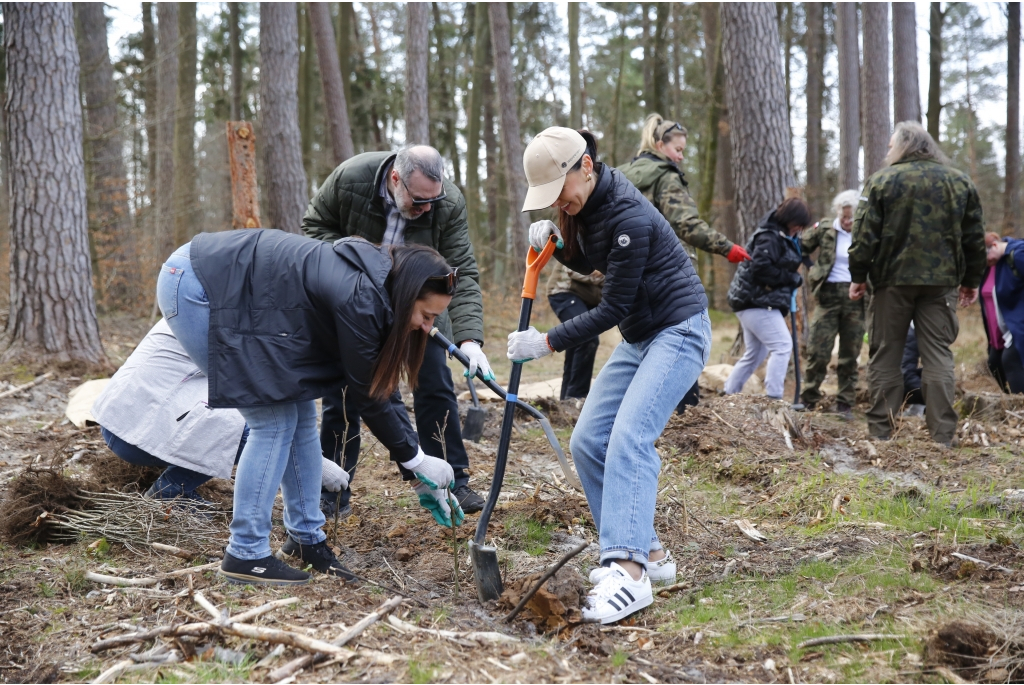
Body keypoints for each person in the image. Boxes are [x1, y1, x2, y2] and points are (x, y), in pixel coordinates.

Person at [157, 229, 465, 586]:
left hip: (241, 294)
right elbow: (366, 393)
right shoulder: (360, 296)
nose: (427, 329)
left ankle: (306, 538)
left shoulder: (378, 290)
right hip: (199, 286)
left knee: (302, 413)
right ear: (408, 294)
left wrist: (414, 465)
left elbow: (379, 386)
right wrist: (415, 459)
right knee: (273, 420)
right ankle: (245, 553)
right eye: (426, 316)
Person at [509, 127, 711, 624]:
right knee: (587, 441)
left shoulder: (626, 215)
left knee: (630, 439)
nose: (557, 202)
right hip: (643, 336)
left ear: (585, 168)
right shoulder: (588, 207)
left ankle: (629, 571)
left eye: (559, 193)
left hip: (679, 330)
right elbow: (588, 258)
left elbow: (613, 303)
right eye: (548, 200)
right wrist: (554, 242)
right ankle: (653, 556)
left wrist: (547, 341)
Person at [302, 145, 487, 517]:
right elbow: (314, 230)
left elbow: (461, 268)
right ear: (395, 179)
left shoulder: (446, 202)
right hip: (357, 305)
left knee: (435, 383)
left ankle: (452, 480)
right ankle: (333, 492)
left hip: (422, 307)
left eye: (433, 201)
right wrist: (359, 266)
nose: (426, 210)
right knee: (346, 393)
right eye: (419, 201)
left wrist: (470, 338)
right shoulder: (350, 178)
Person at [91, 321, 348, 507]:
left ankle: (174, 483)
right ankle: (169, 493)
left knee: (228, 420)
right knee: (239, 430)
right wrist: (317, 464)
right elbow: (260, 407)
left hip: (123, 419)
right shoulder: (226, 323)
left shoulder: (198, 304)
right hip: (134, 432)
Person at [849, 121, 987, 445]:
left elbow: (863, 235)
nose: (887, 151)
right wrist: (971, 280)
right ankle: (942, 435)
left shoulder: (882, 181)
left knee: (886, 354)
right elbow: (974, 238)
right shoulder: (959, 182)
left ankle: (881, 432)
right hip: (941, 283)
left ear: (904, 145)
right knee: (938, 354)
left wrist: (858, 276)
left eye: (890, 145)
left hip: (891, 281)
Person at [619, 114, 750, 413]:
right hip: (669, 273)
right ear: (658, 144)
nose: (680, 157)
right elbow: (686, 224)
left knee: (643, 342)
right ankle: (685, 413)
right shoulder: (666, 175)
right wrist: (726, 247)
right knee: (683, 335)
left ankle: (641, 408)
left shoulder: (623, 175)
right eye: (678, 150)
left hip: (630, 274)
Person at [723, 198, 812, 399]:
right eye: (797, 224)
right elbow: (760, 269)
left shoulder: (787, 236)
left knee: (756, 354)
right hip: (755, 302)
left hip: (757, 302)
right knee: (782, 345)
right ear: (789, 219)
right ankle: (774, 398)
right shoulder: (769, 237)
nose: (799, 228)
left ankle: (729, 393)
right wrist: (791, 278)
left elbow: (794, 256)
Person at [798, 190, 865, 416]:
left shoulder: (865, 231)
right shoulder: (825, 229)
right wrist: (812, 268)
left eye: (851, 217)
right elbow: (799, 247)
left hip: (856, 297)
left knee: (850, 353)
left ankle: (845, 403)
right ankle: (809, 398)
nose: (847, 221)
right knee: (818, 350)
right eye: (844, 216)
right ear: (837, 212)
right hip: (827, 295)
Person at [546, 265, 603, 399]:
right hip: (563, 292)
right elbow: (573, 269)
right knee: (588, 338)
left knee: (576, 343)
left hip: (587, 298)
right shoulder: (580, 244)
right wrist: (611, 275)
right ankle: (576, 397)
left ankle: (566, 402)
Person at [984, 235, 1024, 393]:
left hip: (1019, 324)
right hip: (1003, 330)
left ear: (994, 245)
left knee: (1011, 360)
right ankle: (1006, 405)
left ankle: (1019, 408)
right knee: (994, 363)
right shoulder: (995, 264)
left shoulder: (1018, 255)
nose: (984, 262)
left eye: (985, 256)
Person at [980, 232, 1011, 392]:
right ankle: (1008, 399)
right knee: (994, 365)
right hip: (994, 332)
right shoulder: (986, 269)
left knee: (1010, 363)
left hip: (1009, 328)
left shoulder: (1008, 266)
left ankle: (1018, 401)